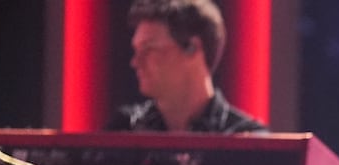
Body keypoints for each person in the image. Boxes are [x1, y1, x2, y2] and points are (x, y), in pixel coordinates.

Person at [108, 0, 267, 133]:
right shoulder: (125, 129)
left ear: (193, 48)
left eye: (149, 49)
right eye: (136, 51)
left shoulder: (246, 140)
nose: (135, 62)